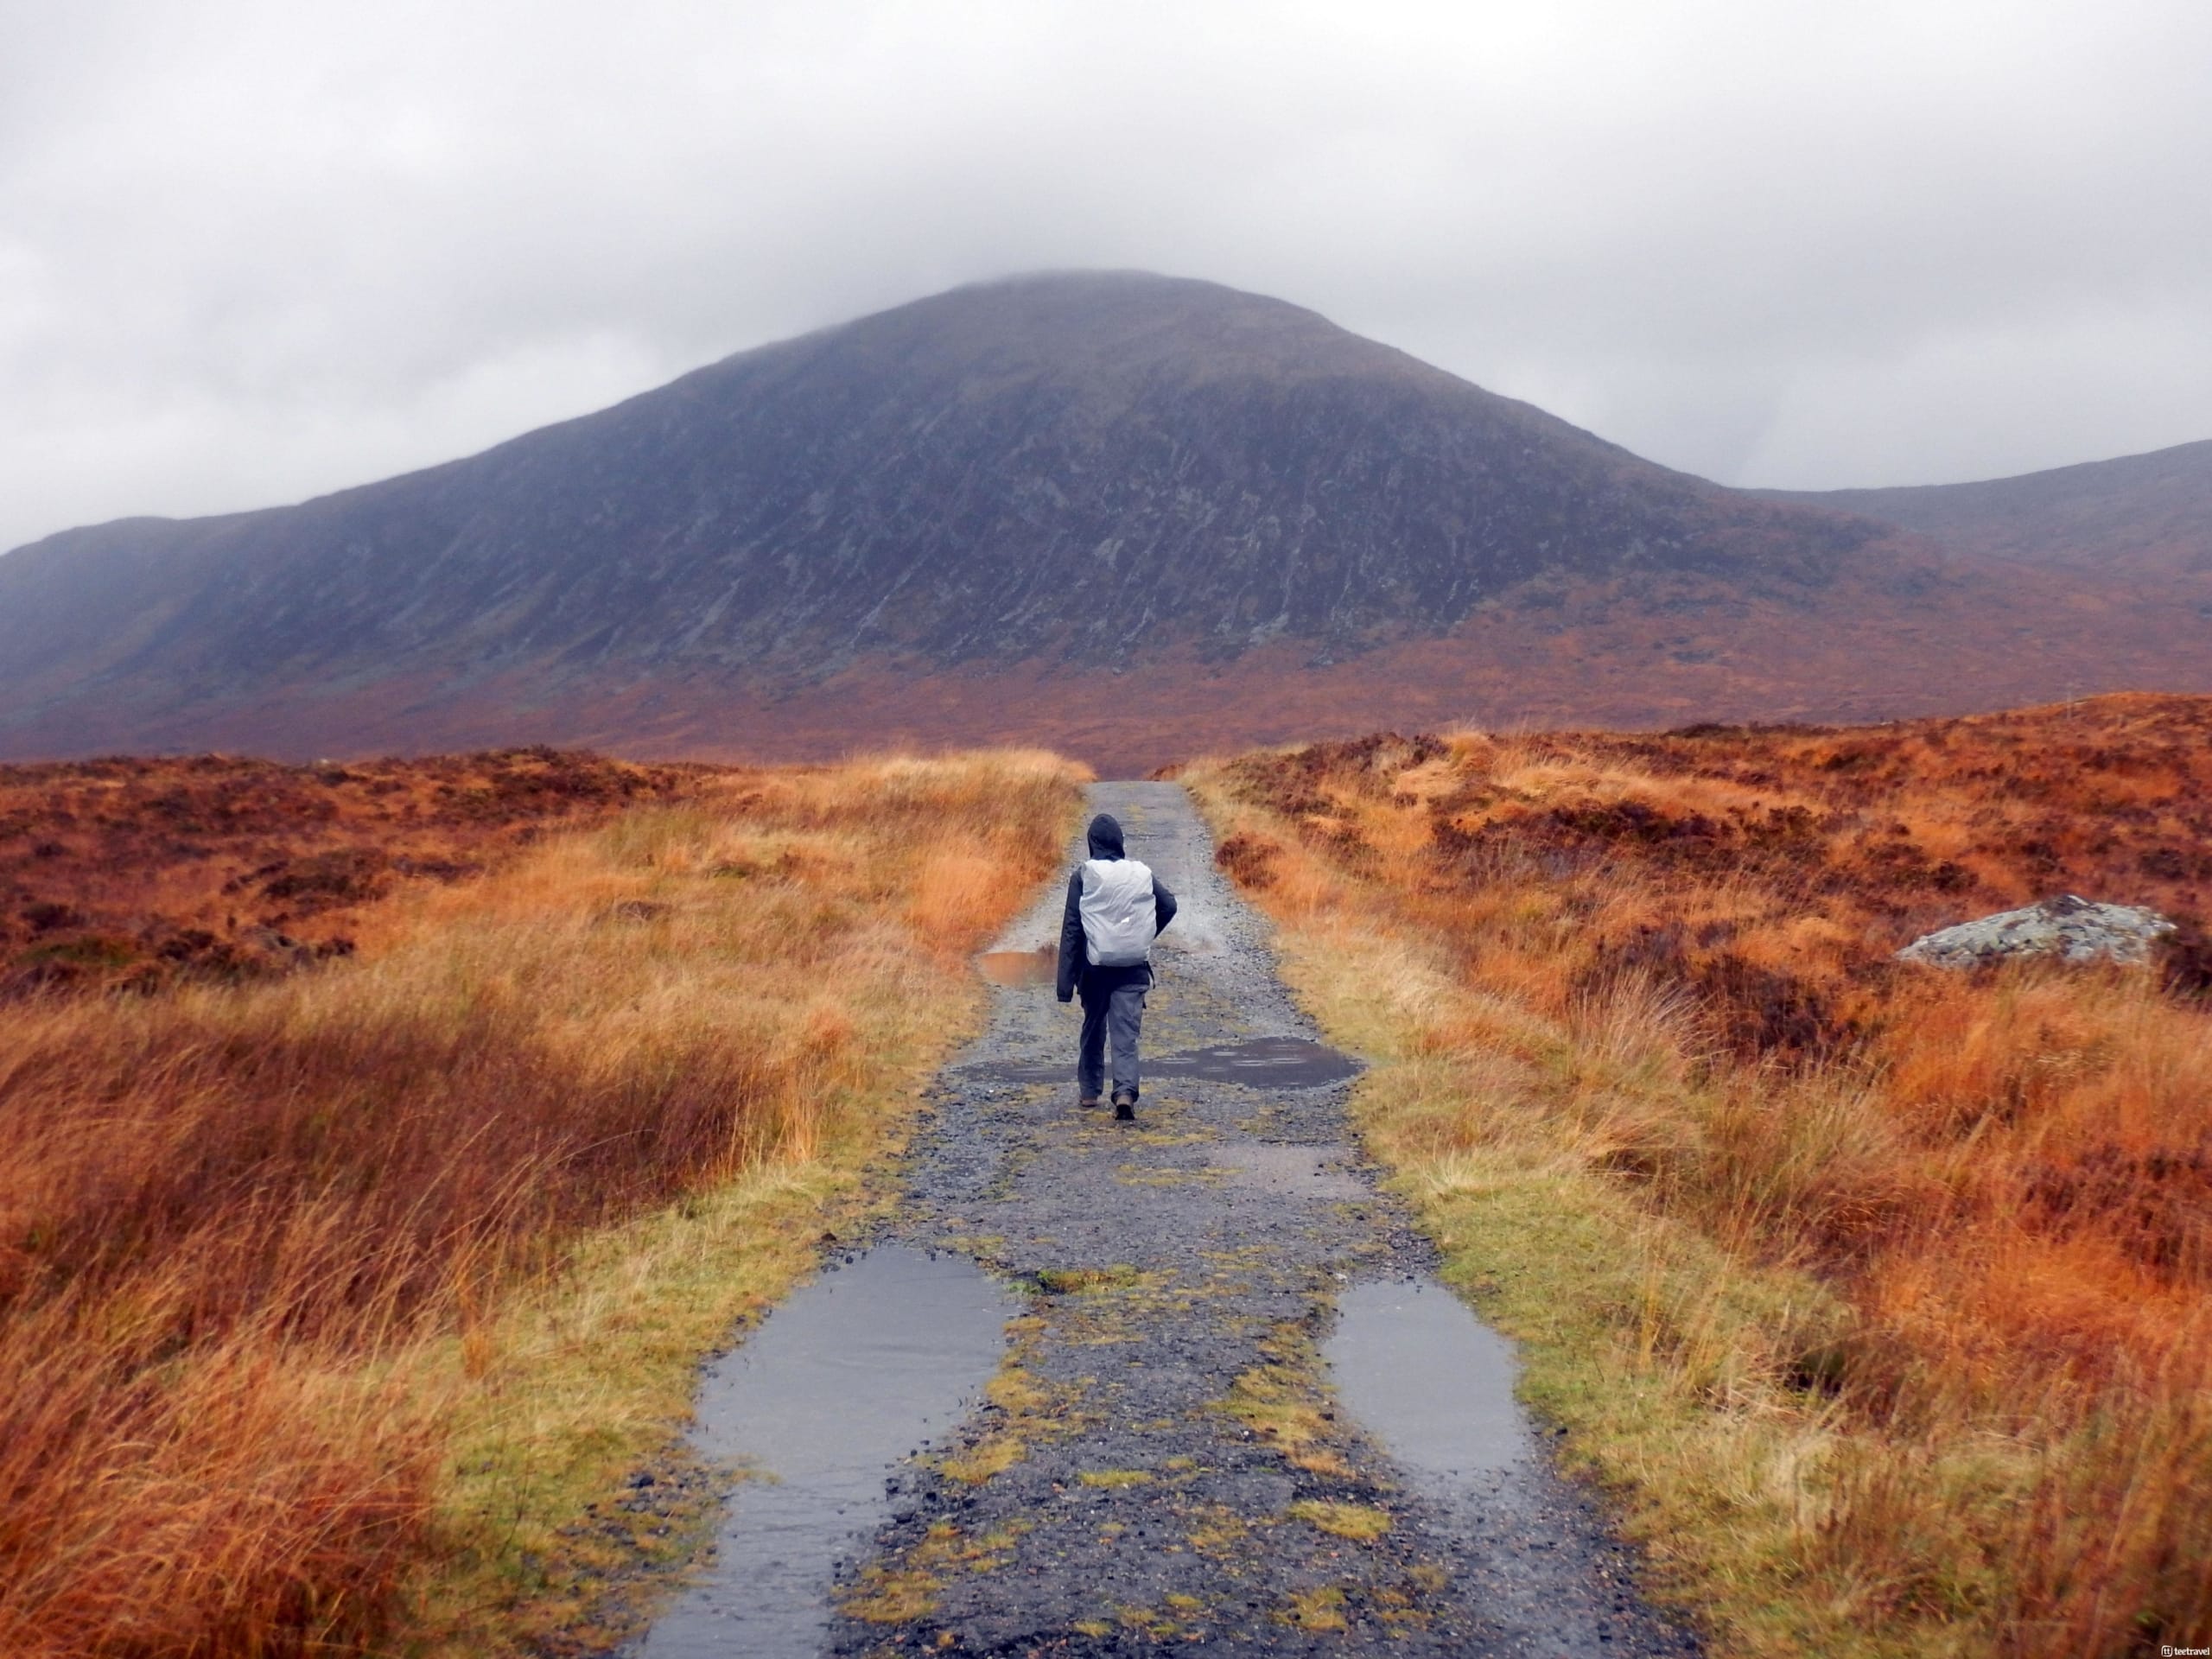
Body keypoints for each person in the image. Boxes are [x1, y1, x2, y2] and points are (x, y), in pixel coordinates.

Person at [1055, 812, 1177, 1120]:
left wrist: (1065, 984)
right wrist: (1144, 932)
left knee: (1093, 1029)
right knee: (1125, 1036)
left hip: (1094, 971)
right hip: (1133, 967)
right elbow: (1169, 905)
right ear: (1120, 842)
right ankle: (1124, 1094)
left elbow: (1072, 929)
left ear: (1091, 842)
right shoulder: (1140, 873)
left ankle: (1089, 1093)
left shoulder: (1084, 874)